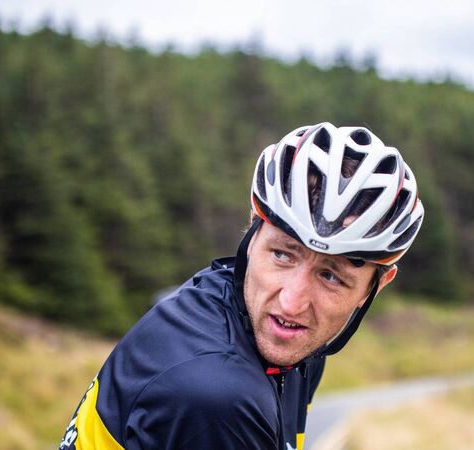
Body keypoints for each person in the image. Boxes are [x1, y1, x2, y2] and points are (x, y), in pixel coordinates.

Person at [59, 122, 424, 450]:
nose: (292, 303)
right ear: (252, 233)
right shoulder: (219, 399)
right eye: (282, 254)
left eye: (330, 276)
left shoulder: (284, 342)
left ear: (375, 287)